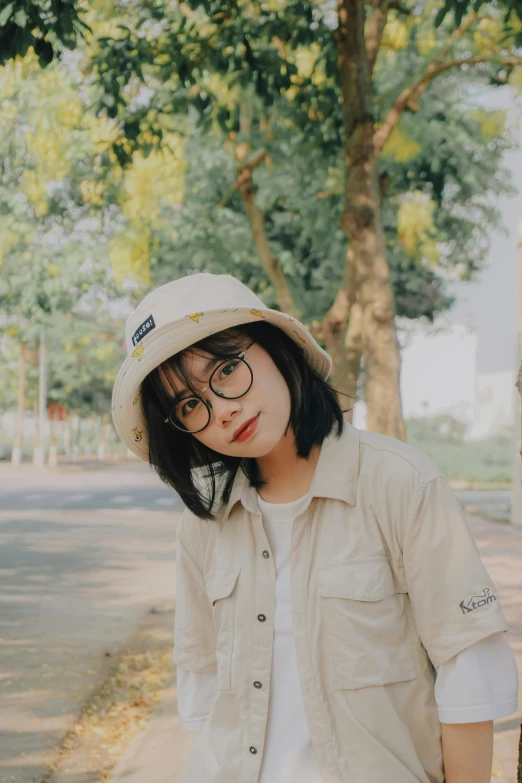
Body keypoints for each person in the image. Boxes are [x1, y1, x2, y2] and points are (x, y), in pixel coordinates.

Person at [111, 272, 519, 783]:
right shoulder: (203, 527)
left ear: (277, 349)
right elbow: (204, 694)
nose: (222, 409)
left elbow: (469, 677)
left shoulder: (401, 484)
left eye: (227, 370)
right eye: (191, 405)